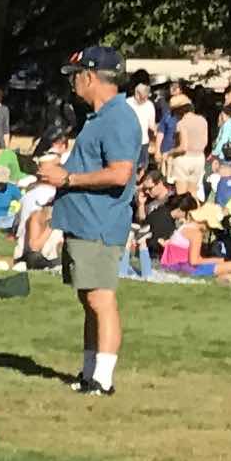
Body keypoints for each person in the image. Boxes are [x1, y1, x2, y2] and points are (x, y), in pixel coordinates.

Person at [46, 50, 147, 394]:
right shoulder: (100, 117)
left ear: (89, 77)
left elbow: (120, 173)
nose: (72, 82)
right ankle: (89, 373)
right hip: (85, 221)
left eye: (75, 74)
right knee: (88, 299)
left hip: (100, 222)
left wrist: (68, 178)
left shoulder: (118, 118)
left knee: (101, 299)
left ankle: (103, 380)